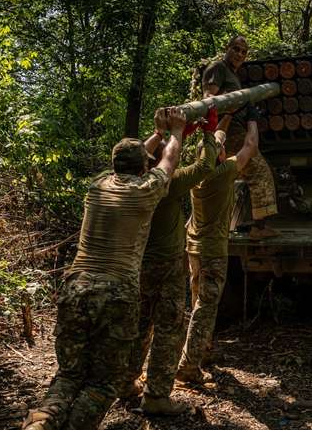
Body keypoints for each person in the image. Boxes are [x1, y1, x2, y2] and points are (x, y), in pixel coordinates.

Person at [22, 107, 187, 430]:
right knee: (101, 384)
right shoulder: (146, 190)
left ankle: (39, 425)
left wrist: (157, 133)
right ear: (143, 166)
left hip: (76, 287)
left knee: (69, 374)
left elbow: (139, 156)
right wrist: (177, 132)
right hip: (116, 292)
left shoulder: (97, 186)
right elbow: (169, 161)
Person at [120, 106, 223, 415]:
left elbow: (138, 154)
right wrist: (208, 130)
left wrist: (163, 133)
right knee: (169, 328)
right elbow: (206, 165)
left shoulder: (123, 182)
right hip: (166, 267)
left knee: (139, 325)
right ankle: (156, 396)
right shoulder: (167, 183)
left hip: (137, 265)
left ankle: (125, 383)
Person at [176, 106, 261, 384]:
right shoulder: (224, 174)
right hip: (213, 251)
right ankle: (188, 365)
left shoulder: (195, 175)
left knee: (197, 300)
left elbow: (214, 143)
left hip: (194, 250)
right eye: (221, 147)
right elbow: (251, 145)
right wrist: (252, 119)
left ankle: (203, 350)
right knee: (206, 307)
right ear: (220, 155)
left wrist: (222, 118)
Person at [201, 35, 280, 239]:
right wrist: (230, 111)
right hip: (228, 132)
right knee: (260, 172)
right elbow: (208, 101)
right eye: (236, 49)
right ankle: (259, 229)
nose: (239, 54)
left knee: (231, 177)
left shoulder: (232, 75)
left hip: (235, 131)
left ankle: (219, 225)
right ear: (227, 48)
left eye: (244, 52)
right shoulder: (217, 68)